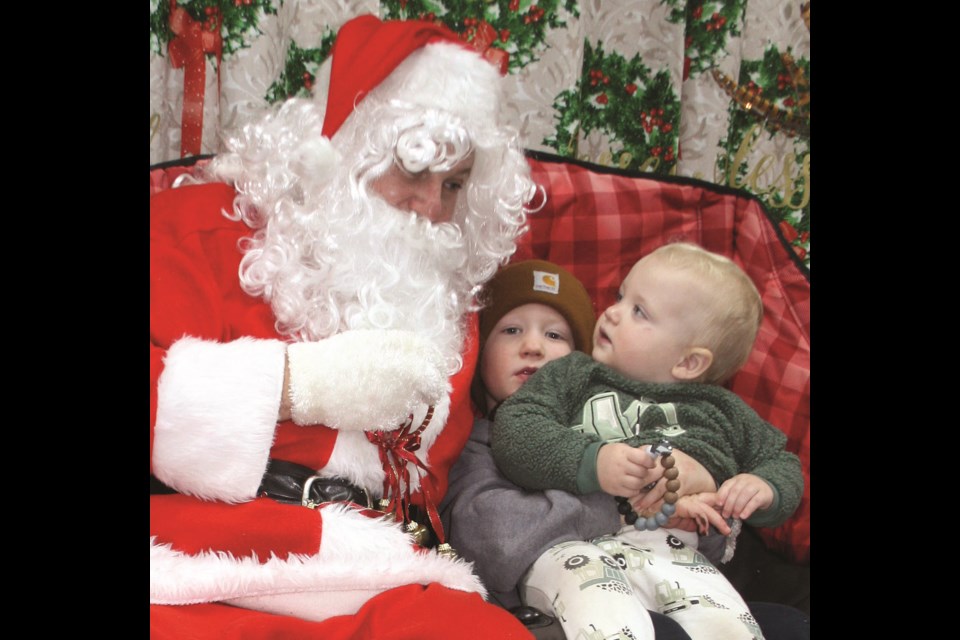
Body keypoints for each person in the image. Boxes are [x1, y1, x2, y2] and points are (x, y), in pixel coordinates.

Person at [150, 14, 540, 639]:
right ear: (347, 150)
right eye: (413, 170)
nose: (431, 209)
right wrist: (290, 385)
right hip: (198, 565)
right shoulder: (193, 229)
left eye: (455, 185)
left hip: (381, 577)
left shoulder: (451, 304)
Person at [490, 243, 804, 639]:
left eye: (639, 311)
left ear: (688, 363)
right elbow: (515, 428)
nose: (612, 312)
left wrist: (763, 488)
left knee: (727, 627)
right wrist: (593, 462)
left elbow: (780, 461)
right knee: (606, 621)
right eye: (622, 296)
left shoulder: (722, 410)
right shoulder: (574, 374)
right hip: (575, 545)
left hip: (674, 551)